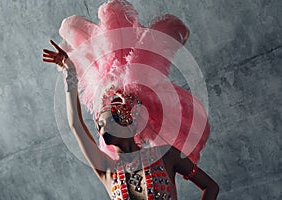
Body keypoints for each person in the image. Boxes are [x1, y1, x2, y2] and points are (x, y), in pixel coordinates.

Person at [42, 1, 219, 199]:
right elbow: (76, 125)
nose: (100, 130)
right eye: (99, 125)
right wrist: (71, 73)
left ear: (129, 122)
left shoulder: (167, 155)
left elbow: (210, 187)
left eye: (107, 121)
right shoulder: (107, 170)